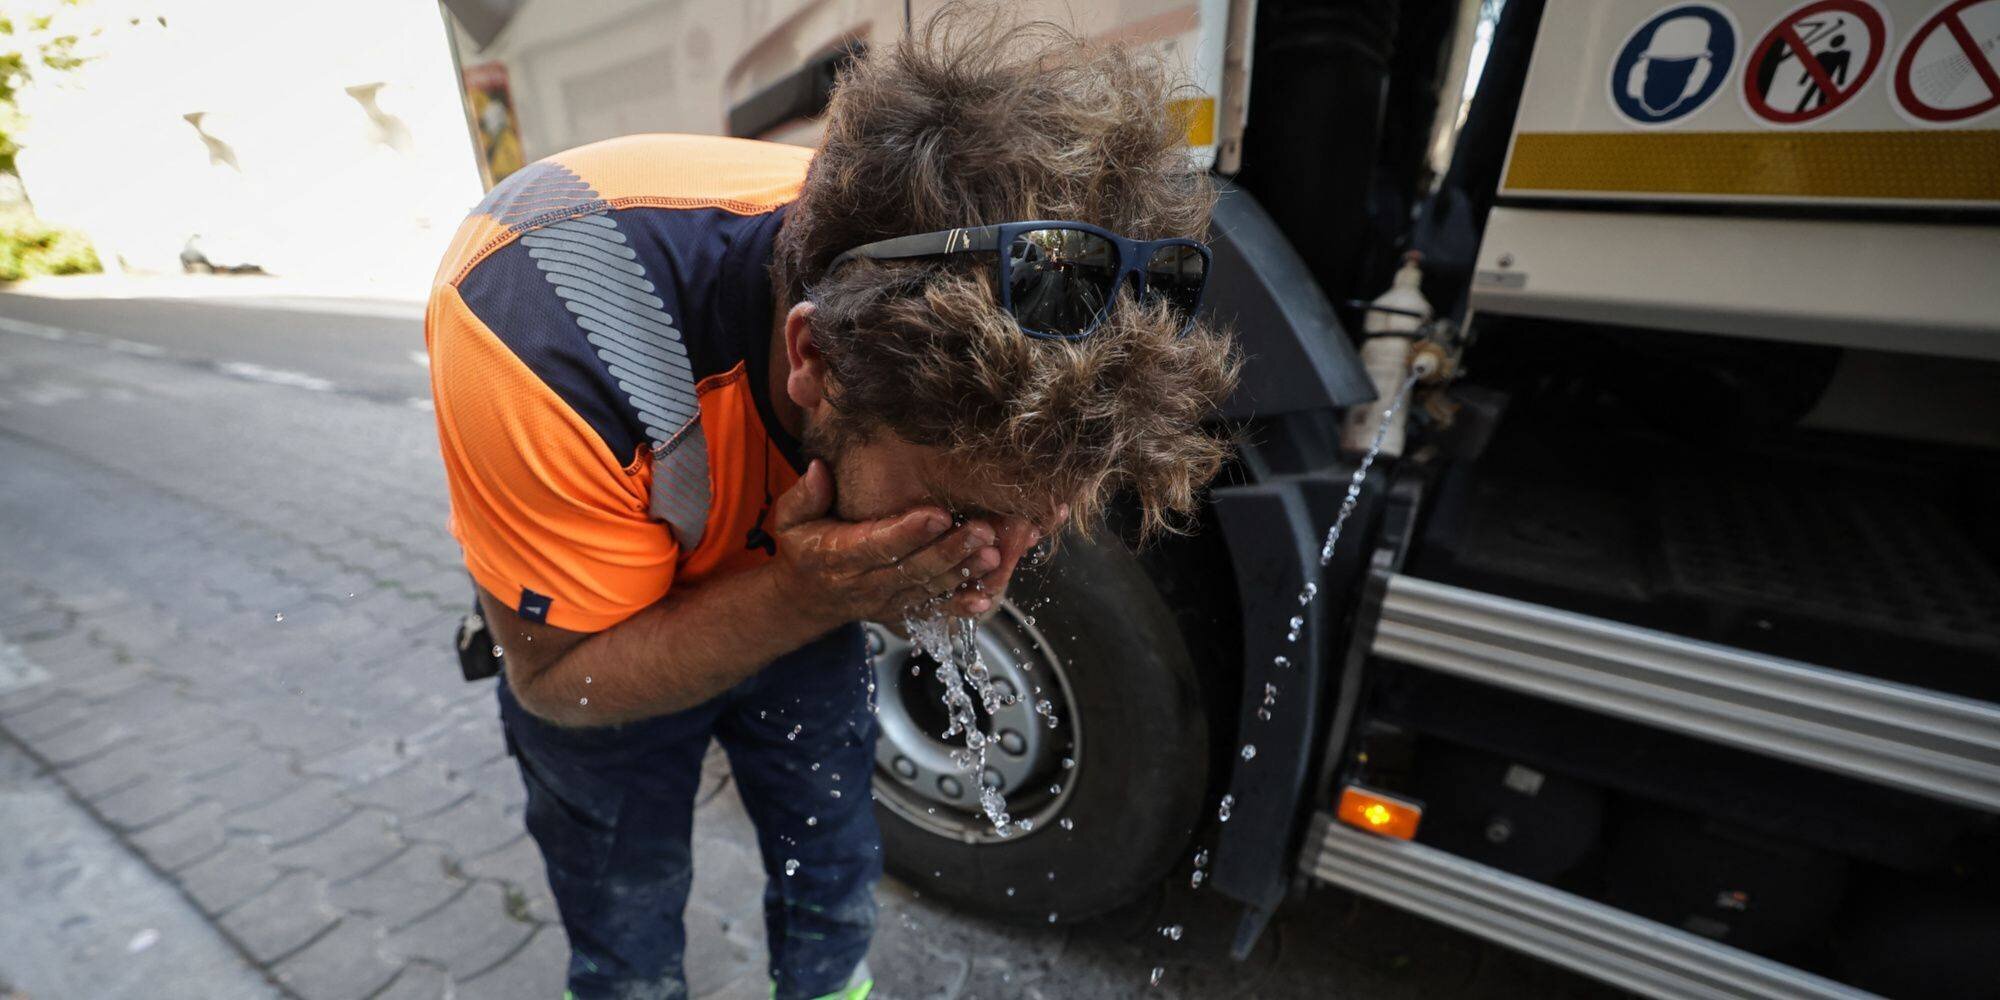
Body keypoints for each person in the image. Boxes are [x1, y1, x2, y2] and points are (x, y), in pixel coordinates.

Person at [423, 8, 1238, 999]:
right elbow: (560, 683)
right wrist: (805, 597)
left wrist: (833, 584)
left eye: (1036, 518)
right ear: (815, 360)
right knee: (626, 908)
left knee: (834, 868)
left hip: (796, 581)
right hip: (606, 629)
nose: (991, 566)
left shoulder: (916, 267)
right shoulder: (534, 327)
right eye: (966, 510)